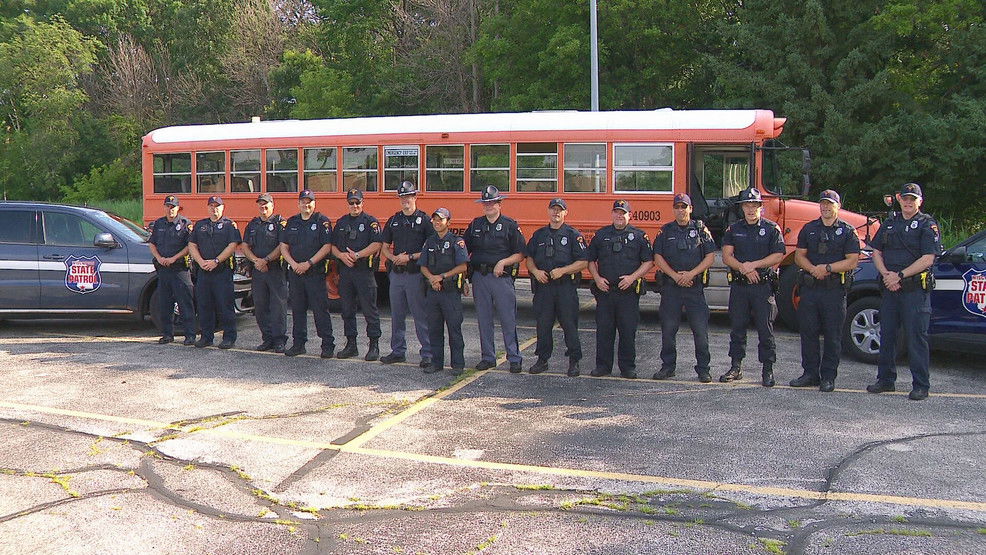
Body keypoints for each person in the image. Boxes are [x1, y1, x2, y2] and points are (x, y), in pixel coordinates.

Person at [866, 183, 939, 401]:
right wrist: (887, 275)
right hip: (890, 289)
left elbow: (928, 258)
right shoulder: (890, 223)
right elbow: (876, 251)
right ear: (900, 199)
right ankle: (886, 380)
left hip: (914, 290)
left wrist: (900, 276)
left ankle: (920, 385)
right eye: (905, 198)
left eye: (912, 199)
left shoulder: (927, 225)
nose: (908, 202)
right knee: (887, 335)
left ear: (920, 201)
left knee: (916, 338)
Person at [791, 190, 860, 392]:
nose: (826, 207)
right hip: (811, 288)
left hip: (834, 290)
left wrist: (827, 268)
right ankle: (810, 373)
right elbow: (799, 256)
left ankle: (828, 376)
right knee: (808, 332)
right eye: (823, 204)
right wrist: (813, 269)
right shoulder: (809, 229)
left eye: (830, 204)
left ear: (838, 206)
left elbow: (852, 260)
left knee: (832, 335)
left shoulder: (847, 231)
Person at [720, 188, 786, 386]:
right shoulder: (734, 229)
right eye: (747, 205)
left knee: (765, 329)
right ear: (742, 208)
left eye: (754, 205)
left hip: (762, 286)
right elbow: (726, 256)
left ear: (760, 207)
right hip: (740, 285)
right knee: (737, 327)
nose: (750, 209)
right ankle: (736, 366)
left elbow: (778, 255)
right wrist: (744, 269)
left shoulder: (772, 228)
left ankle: (768, 369)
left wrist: (753, 265)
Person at [652, 193, 716, 383]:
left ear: (690, 209)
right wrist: (675, 276)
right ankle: (668, 367)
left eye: (684, 207)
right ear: (674, 209)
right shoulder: (665, 231)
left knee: (700, 331)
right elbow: (658, 257)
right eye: (677, 207)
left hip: (694, 288)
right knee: (669, 330)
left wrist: (691, 274)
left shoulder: (700, 229)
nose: (680, 210)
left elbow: (710, 257)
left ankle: (703, 369)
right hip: (671, 288)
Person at [587, 200, 653, 379]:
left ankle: (627, 367)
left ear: (629, 215)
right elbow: (590, 260)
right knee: (604, 331)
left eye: (623, 212)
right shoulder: (601, 235)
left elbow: (648, 261)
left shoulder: (639, 236)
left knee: (627, 331)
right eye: (616, 212)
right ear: (612, 214)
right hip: (606, 291)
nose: (619, 215)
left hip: (628, 292)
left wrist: (633, 277)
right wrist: (597, 278)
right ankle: (602, 366)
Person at [464, 185, 526, 373]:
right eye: (485, 203)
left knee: (508, 319)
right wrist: (465, 277)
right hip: (480, 278)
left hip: (501, 279)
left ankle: (514, 358)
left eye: (492, 202)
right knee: (484, 320)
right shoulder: (475, 225)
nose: (488, 206)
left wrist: (503, 262)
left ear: (500, 204)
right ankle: (488, 357)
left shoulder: (510, 225)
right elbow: (463, 250)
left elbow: (521, 254)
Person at [525, 198, 588, 377]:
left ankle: (574, 361)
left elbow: (583, 261)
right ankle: (542, 360)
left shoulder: (573, 235)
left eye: (559, 210)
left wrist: (563, 271)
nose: (556, 213)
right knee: (543, 325)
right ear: (548, 211)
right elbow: (529, 257)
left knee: (569, 325)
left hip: (565, 287)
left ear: (565, 213)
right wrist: (536, 272)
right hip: (544, 287)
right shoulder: (539, 235)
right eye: (553, 209)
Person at [379, 180, 433, 367]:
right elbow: (384, 247)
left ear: (415, 197)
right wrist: (393, 258)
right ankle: (398, 351)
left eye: (408, 196)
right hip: (397, 274)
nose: (405, 200)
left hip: (415, 274)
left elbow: (430, 248)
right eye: (402, 197)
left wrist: (409, 257)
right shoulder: (394, 220)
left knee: (420, 314)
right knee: (397, 314)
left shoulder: (425, 220)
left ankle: (427, 352)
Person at [279, 189, 335, 358]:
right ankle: (299, 344)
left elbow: (326, 246)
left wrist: (309, 263)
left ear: (314, 203)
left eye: (309, 201)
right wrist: (294, 264)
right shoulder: (292, 222)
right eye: (303, 201)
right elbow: (284, 246)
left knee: (320, 310)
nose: (306, 204)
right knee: (297, 309)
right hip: (296, 273)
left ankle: (327, 345)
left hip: (315, 273)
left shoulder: (321, 221)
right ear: (299, 204)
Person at [331, 188, 383, 361]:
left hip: (363, 271)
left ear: (363, 202)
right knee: (347, 310)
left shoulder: (370, 222)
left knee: (370, 310)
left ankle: (374, 345)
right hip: (346, 272)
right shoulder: (341, 223)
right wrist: (341, 256)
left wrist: (358, 255)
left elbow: (377, 244)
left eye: (357, 202)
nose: (354, 206)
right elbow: (332, 246)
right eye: (351, 203)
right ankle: (351, 344)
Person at [420, 208, 469, 375]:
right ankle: (436, 363)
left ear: (448, 222)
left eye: (440, 220)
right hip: (433, 291)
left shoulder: (457, 242)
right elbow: (423, 266)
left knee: (454, 329)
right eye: (434, 219)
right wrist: (432, 279)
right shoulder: (430, 242)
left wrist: (442, 276)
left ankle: (457, 364)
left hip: (450, 292)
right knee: (434, 329)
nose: (437, 222)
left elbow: (463, 266)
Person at [188, 196, 241, 349]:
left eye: (217, 206)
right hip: (204, 271)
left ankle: (229, 337)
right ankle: (206, 337)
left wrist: (216, 261)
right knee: (204, 305)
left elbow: (232, 245)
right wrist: (200, 261)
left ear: (223, 208)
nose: (214, 208)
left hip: (221, 271)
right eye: (211, 206)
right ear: (207, 208)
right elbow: (192, 245)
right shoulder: (200, 225)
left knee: (225, 306)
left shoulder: (229, 225)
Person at [241, 193, 288, 353]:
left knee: (278, 306)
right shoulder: (253, 224)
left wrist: (266, 260)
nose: (263, 207)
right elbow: (245, 246)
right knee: (260, 306)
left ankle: (279, 340)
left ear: (272, 206)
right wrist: (256, 261)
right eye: (260, 204)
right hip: (258, 271)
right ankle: (267, 338)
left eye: (266, 204)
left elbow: (282, 246)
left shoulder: (280, 223)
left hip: (274, 269)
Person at [148, 195, 196, 346]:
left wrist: (174, 258)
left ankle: (190, 336)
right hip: (163, 269)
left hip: (179, 269)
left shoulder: (185, 224)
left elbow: (190, 246)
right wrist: (159, 257)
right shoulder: (159, 224)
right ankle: (167, 334)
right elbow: (152, 244)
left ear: (178, 208)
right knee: (164, 304)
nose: (170, 209)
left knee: (185, 303)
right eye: (168, 206)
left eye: (173, 207)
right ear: (164, 207)